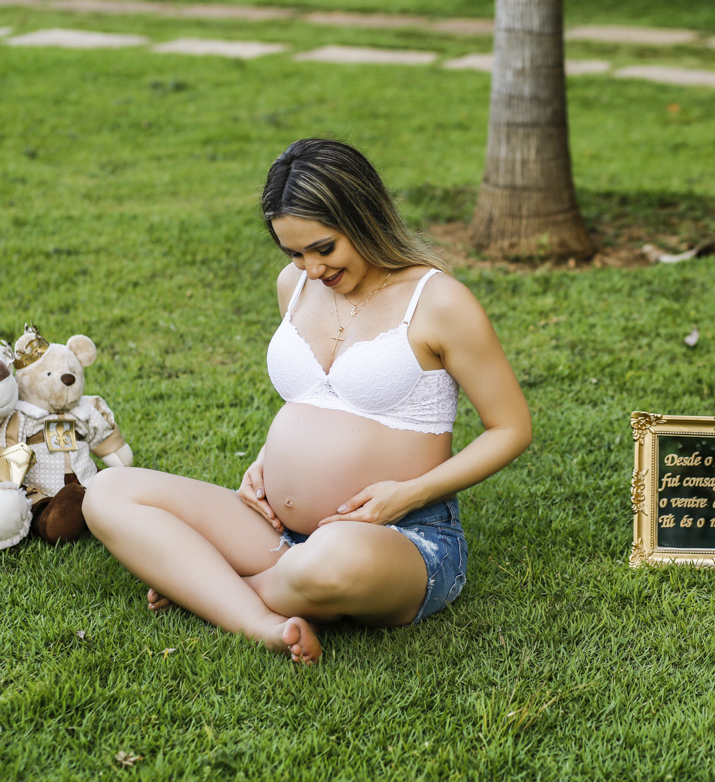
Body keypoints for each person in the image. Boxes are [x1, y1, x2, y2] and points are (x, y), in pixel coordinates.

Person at [83, 138, 531, 664]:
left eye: (323, 248)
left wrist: (408, 495)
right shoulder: (293, 285)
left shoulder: (438, 301)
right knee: (109, 492)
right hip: (276, 529)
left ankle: (207, 587)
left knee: (328, 565)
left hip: (391, 537)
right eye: (294, 252)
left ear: (364, 217)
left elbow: (511, 428)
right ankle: (261, 621)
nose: (311, 269)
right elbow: (317, 399)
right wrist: (265, 464)